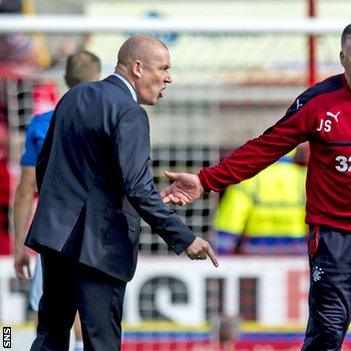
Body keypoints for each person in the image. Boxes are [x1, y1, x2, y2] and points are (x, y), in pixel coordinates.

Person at [161, 22, 351, 350]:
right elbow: (265, 147)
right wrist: (206, 180)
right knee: (327, 332)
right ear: (342, 58)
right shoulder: (319, 102)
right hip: (333, 236)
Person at [24, 35, 219, 351]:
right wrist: (185, 238)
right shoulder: (130, 113)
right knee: (101, 344)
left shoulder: (73, 97)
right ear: (138, 68)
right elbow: (139, 187)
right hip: (101, 247)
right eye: (164, 68)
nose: (169, 77)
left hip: (57, 240)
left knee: (49, 336)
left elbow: (46, 165)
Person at [13, 50, 101, 351]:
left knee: (50, 312)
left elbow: (26, 189)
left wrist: (19, 246)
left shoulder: (42, 124)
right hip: (96, 229)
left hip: (53, 229)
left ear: (64, 80)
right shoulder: (108, 119)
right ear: (99, 80)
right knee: (90, 308)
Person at [212, 148, 307, 255]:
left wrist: (221, 253)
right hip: (296, 252)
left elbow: (231, 217)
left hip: (256, 251)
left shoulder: (250, 177)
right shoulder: (304, 177)